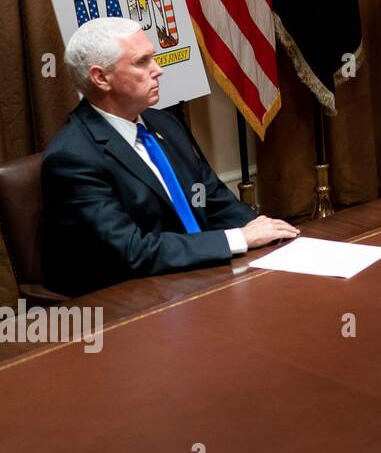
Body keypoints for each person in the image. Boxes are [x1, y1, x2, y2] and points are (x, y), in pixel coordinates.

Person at [42, 17, 299, 296]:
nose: (159, 70)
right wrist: (239, 238)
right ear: (101, 78)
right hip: (131, 297)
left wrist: (268, 232)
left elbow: (212, 198)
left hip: (197, 270)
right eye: (142, 62)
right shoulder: (73, 157)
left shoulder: (165, 123)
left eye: (154, 58)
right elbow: (133, 251)